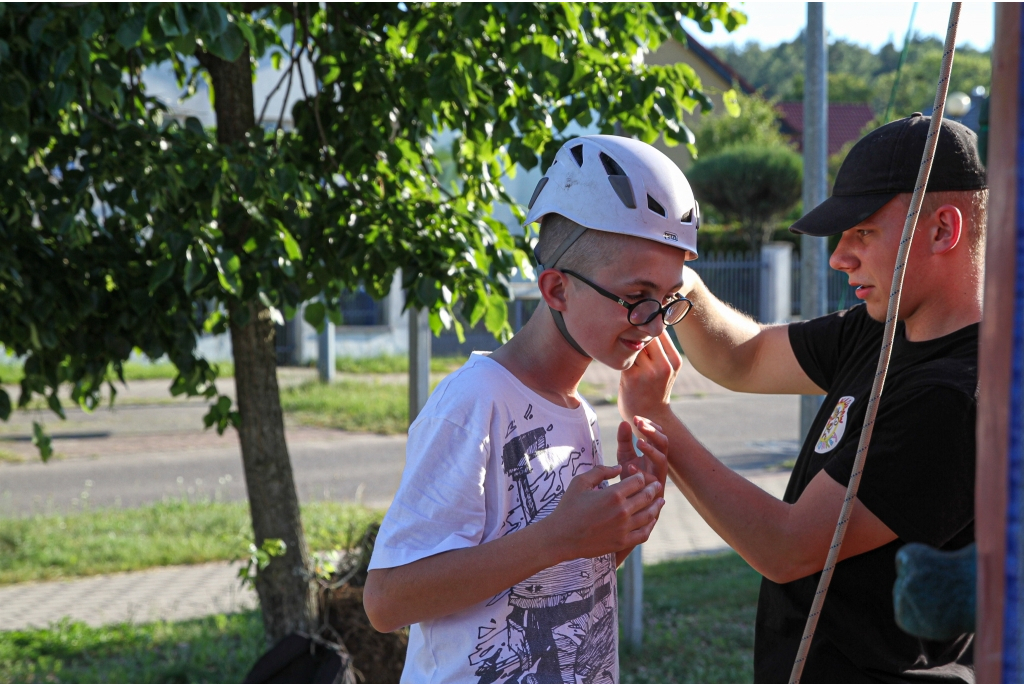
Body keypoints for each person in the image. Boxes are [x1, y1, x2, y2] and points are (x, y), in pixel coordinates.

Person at [618, 113, 986, 682]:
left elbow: (786, 547)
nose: (840, 257)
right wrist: (677, 280)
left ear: (942, 230)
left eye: (862, 231)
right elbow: (743, 357)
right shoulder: (881, 327)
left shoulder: (956, 396)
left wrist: (656, 419)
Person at [363, 135, 703, 683]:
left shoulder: (579, 414)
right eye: (637, 297)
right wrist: (560, 537)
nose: (656, 324)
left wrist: (617, 529)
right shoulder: (475, 402)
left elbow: (551, 576)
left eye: (667, 301)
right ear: (556, 289)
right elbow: (386, 601)